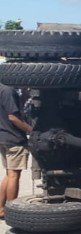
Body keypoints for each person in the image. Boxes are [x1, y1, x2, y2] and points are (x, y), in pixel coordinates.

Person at [0, 82, 33, 220]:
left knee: (9, 173)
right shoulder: (8, 91)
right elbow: (13, 117)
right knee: (14, 175)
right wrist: (31, 130)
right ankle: (12, 211)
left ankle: (1, 208)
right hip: (14, 137)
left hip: (3, 136)